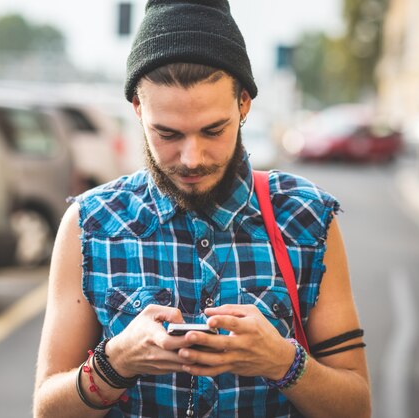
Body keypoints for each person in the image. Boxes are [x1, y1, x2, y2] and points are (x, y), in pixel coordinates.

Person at [33, 0, 371, 417]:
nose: (191, 158)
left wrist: (282, 362)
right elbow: (46, 410)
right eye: (167, 133)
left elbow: (356, 406)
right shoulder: (91, 224)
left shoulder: (305, 217)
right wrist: (115, 362)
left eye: (213, 130)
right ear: (138, 110)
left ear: (243, 104)